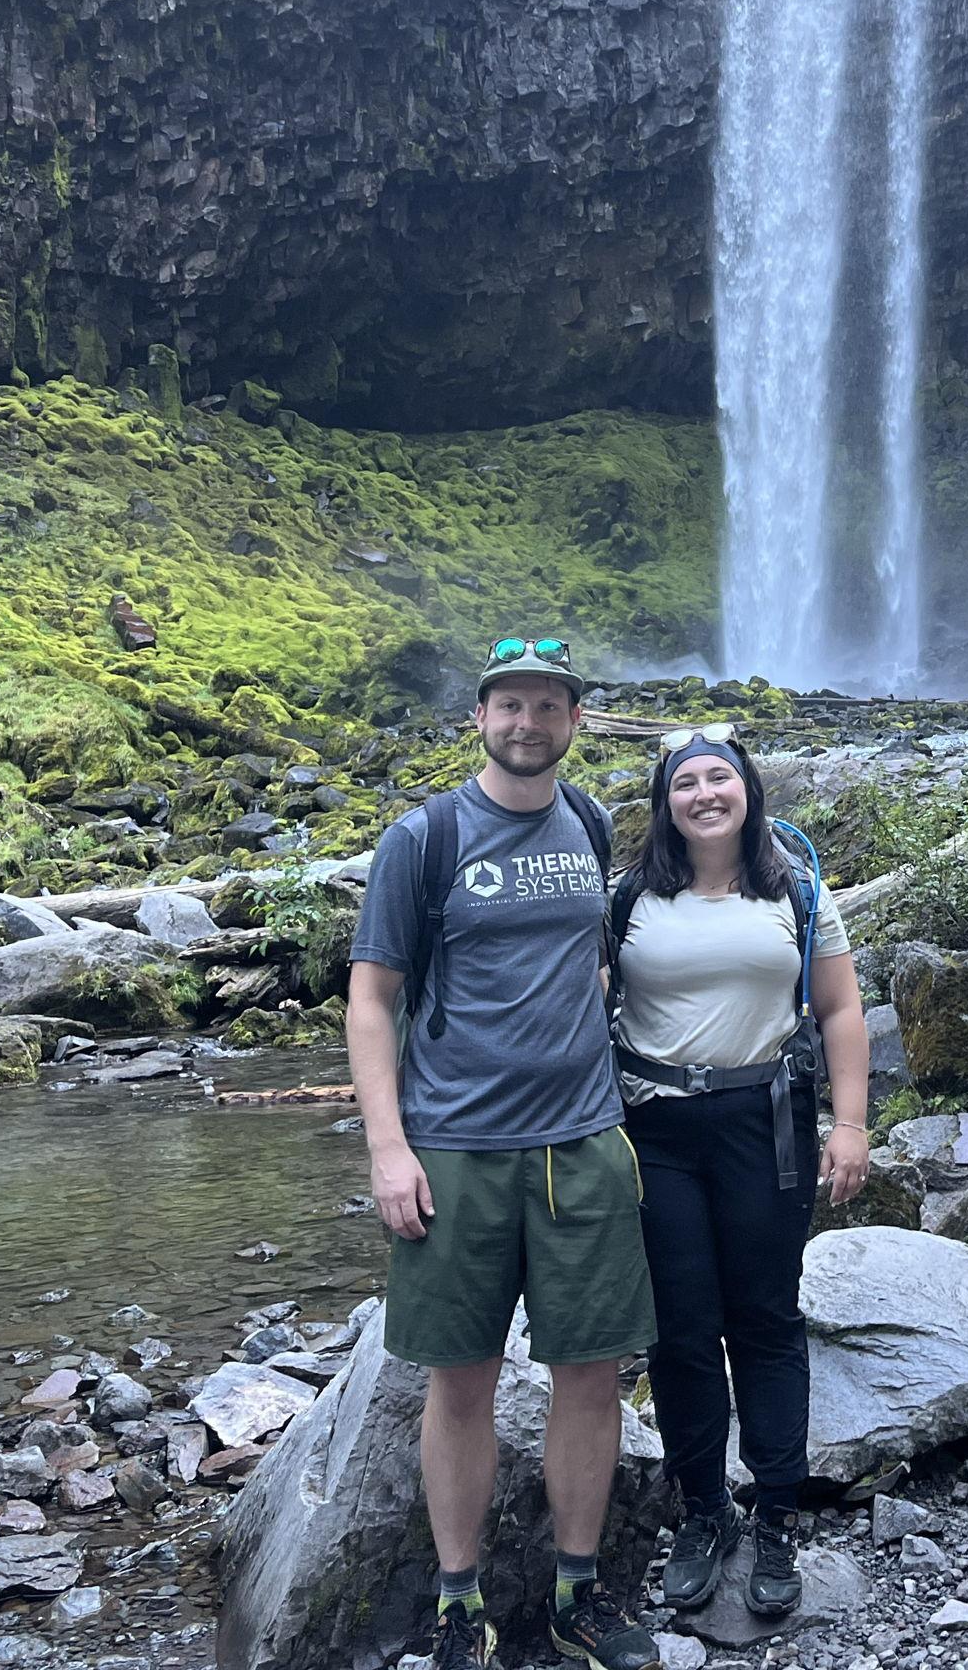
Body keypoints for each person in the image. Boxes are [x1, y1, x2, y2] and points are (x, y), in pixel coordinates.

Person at [346, 636, 660, 1670]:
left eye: (547, 705)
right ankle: (456, 1600)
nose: (527, 722)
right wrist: (388, 1148)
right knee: (461, 1382)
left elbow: (596, 960)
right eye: (509, 704)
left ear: (575, 720)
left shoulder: (588, 820)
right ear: (479, 718)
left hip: (579, 1140)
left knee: (589, 1374)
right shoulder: (423, 836)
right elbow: (371, 999)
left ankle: (577, 1589)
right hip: (455, 1149)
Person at [604, 725, 870, 1617]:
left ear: (748, 791)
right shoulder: (629, 897)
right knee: (680, 1325)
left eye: (721, 777)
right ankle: (704, 1509)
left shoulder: (796, 891)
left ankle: (779, 1515)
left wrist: (852, 1126)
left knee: (763, 1316)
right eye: (688, 783)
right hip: (656, 1129)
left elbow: (838, 1010)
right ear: (665, 803)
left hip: (769, 1121)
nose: (706, 793)